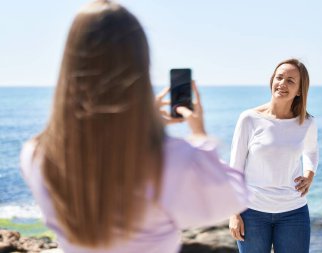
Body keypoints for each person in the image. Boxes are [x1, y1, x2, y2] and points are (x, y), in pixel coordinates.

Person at [19, 1, 247, 252]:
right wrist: (200, 135)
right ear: (140, 66)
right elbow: (233, 197)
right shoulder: (169, 159)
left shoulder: (37, 155)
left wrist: (141, 124)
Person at [228, 59, 319, 253]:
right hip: (252, 212)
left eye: (290, 81)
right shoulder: (249, 119)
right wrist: (234, 213)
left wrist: (309, 175)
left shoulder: (307, 123)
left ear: (300, 90)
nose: (282, 84)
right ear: (272, 80)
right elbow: (235, 167)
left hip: (294, 212)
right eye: (279, 77)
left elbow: (311, 152)